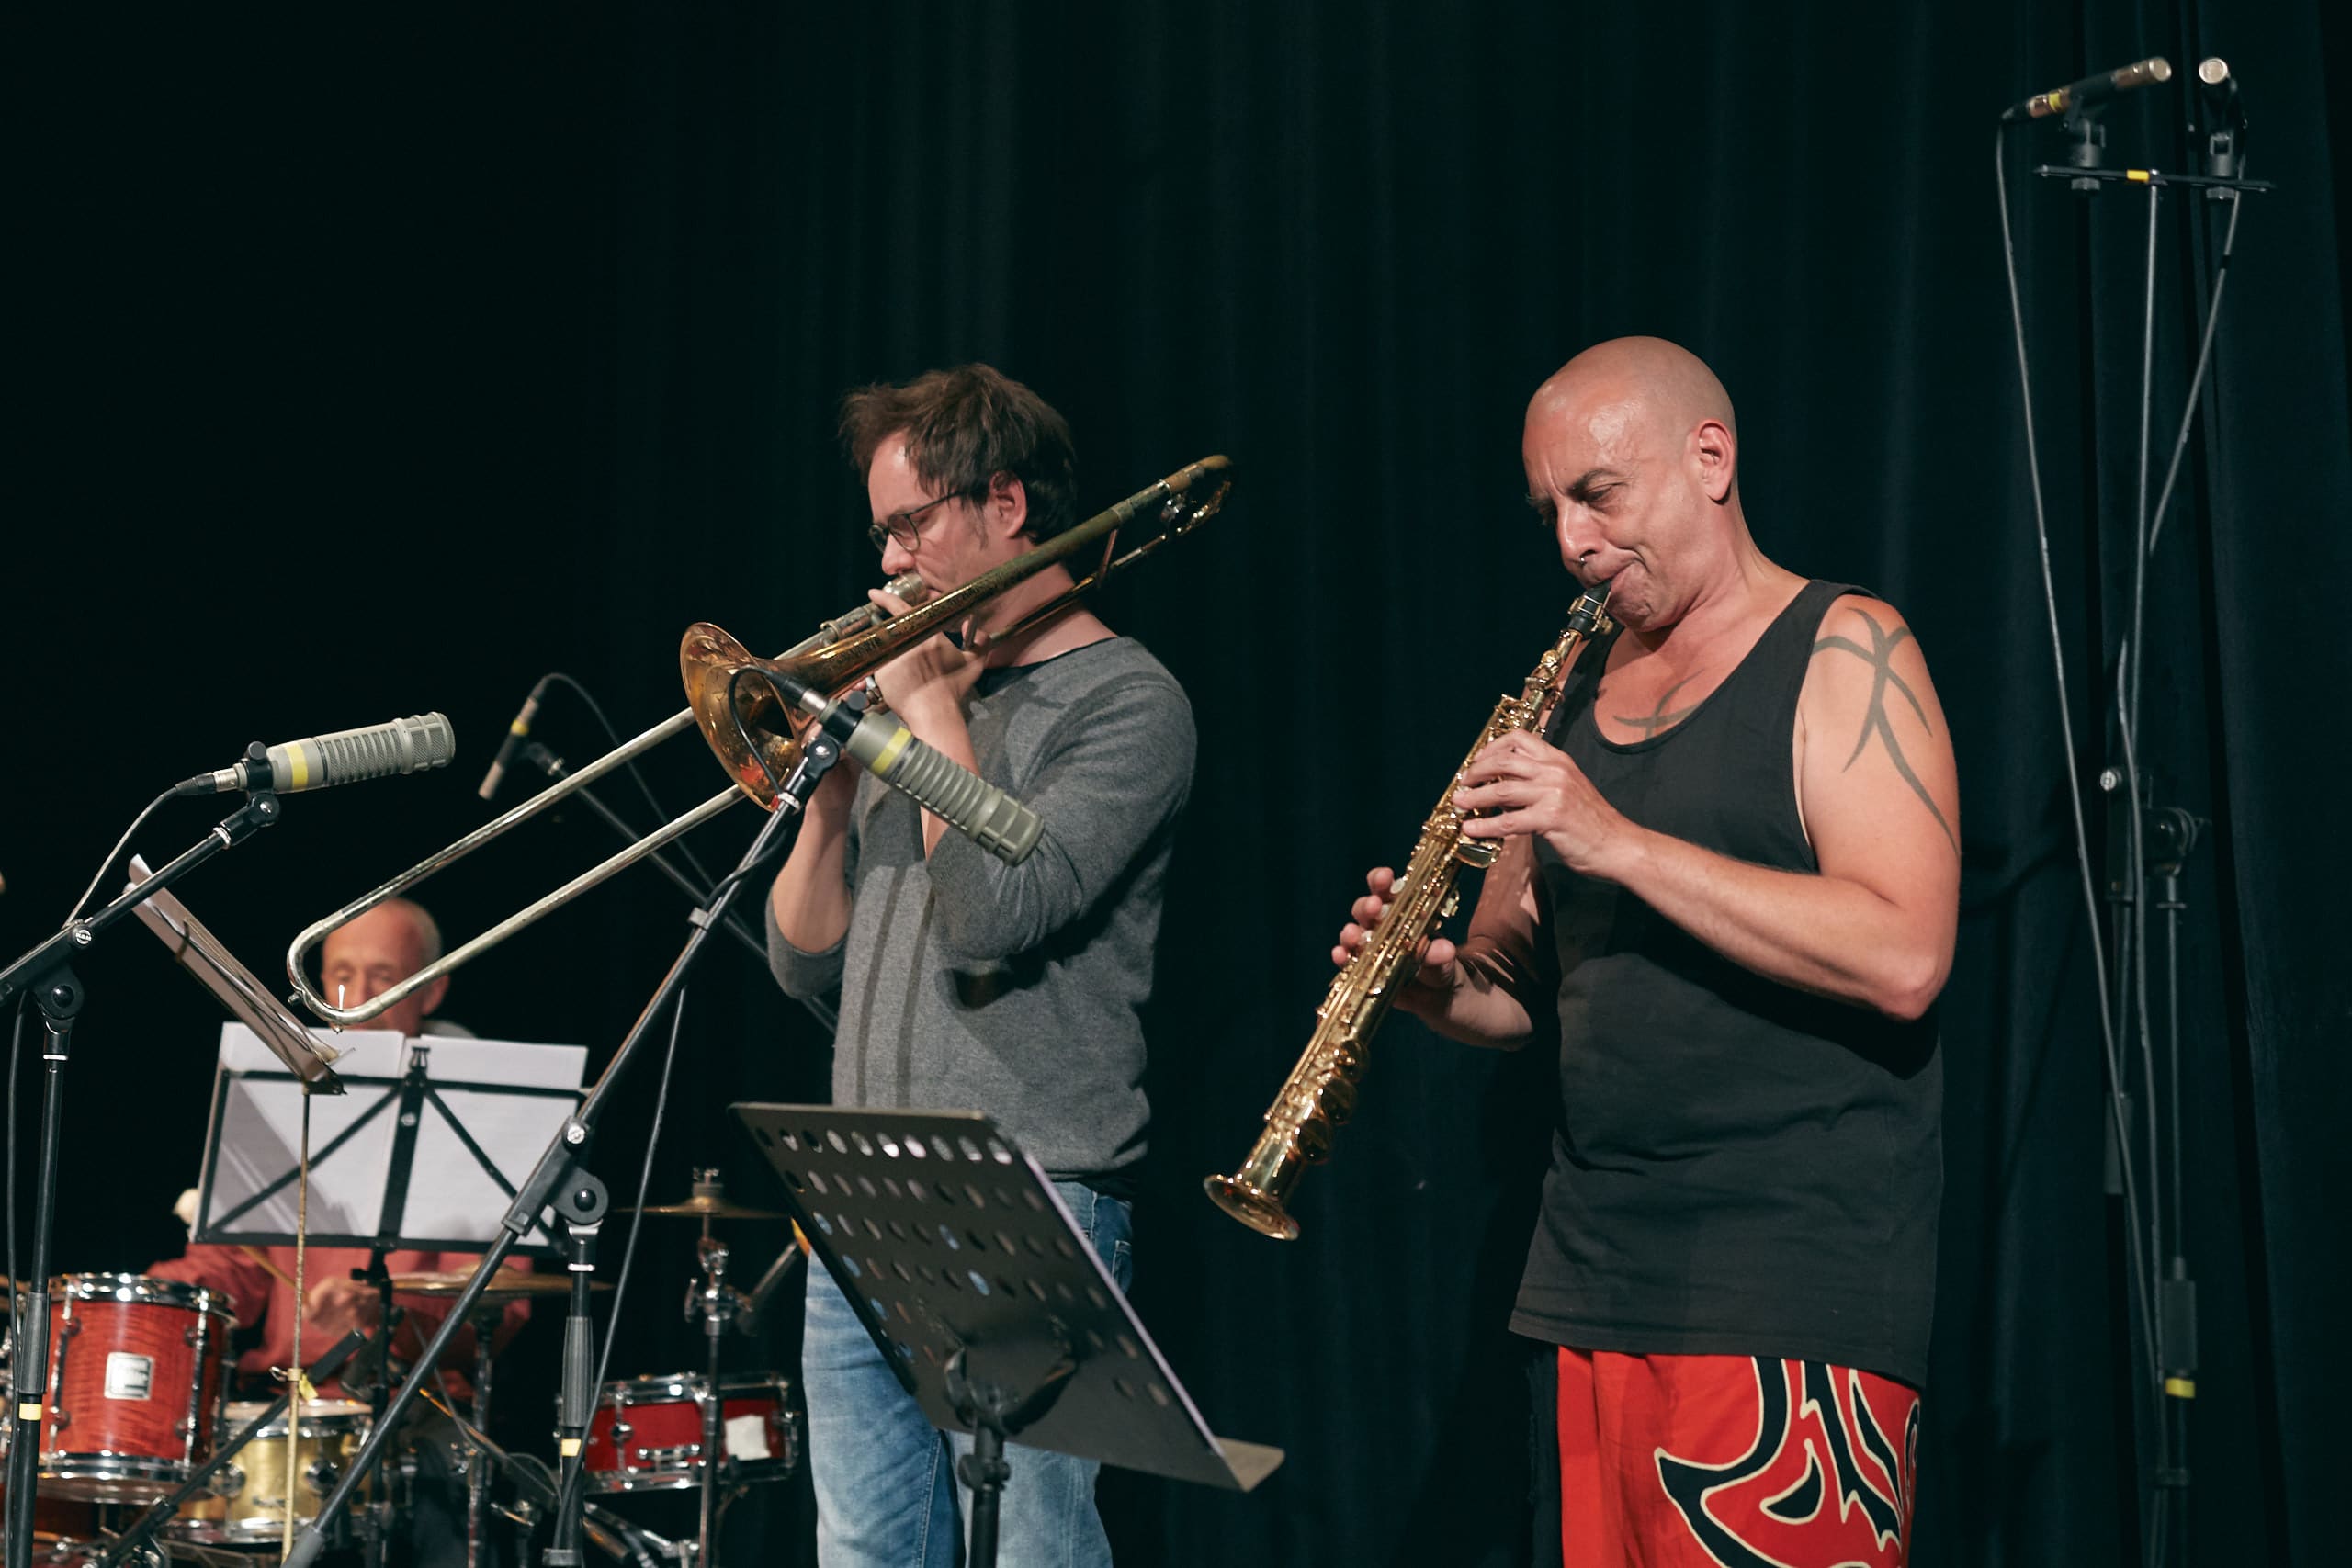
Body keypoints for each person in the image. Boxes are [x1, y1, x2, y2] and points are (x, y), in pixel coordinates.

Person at [1338, 338, 1957, 1567]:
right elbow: (1517, 987)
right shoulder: (1570, 687)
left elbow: (1903, 955)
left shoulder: (1844, 645)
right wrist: (1438, 985)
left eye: (1599, 494)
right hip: (1591, 1278)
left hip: (1790, 1281)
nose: (1573, 541)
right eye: (1551, 512)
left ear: (1709, 459)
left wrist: (1615, 839)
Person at [767, 364, 1195, 1567]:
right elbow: (803, 963)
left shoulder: (1127, 701)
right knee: (863, 1549)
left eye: (911, 525)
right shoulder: (919, 712)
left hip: (1026, 1190)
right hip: (864, 1190)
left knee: (1032, 1551)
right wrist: (830, 787)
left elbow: (989, 918)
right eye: (882, 533)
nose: (891, 562)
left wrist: (926, 722)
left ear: (1005, 503)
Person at [153, 898, 529, 1567]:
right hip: (286, 1413)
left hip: (421, 1417)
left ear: (432, 988)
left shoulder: (484, 1109)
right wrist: (152, 1299)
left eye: (384, 977)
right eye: (340, 976)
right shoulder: (278, 1097)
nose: (356, 999)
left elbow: (501, 1304)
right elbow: (230, 1267)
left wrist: (386, 1313)